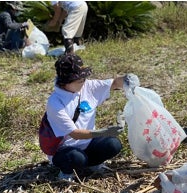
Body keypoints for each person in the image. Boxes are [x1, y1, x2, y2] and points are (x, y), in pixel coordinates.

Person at [44, 53, 136, 181]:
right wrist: (103, 132)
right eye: (79, 81)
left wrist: (126, 79)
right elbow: (75, 134)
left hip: (88, 143)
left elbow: (114, 83)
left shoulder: (87, 86)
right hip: (65, 149)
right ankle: (66, 172)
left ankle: (92, 163)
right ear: (65, 82)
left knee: (113, 144)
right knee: (77, 158)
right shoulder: (55, 103)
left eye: (83, 79)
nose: (83, 83)